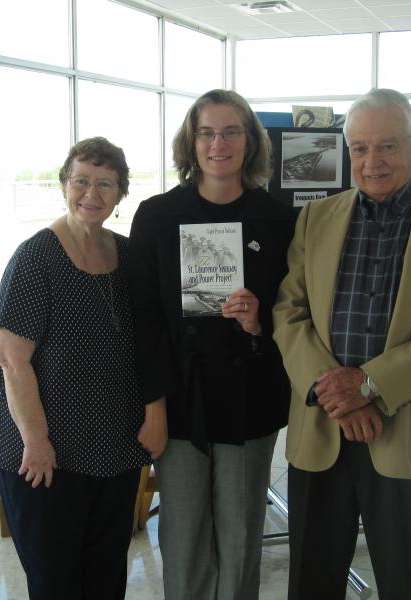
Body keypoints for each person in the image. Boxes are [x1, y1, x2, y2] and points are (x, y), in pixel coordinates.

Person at [272, 88, 411, 600]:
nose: (372, 161)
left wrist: (369, 386)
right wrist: (338, 395)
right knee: (310, 581)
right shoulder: (316, 218)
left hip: (404, 431)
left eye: (388, 146)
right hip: (321, 429)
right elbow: (288, 310)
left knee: (402, 581)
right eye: (360, 148)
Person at [129, 89, 296, 600]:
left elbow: (296, 313)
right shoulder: (156, 216)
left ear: (250, 142)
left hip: (251, 398)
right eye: (206, 133)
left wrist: (258, 323)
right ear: (191, 142)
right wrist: (153, 406)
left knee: (242, 531)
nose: (217, 144)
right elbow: (143, 322)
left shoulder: (279, 219)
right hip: (179, 399)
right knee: (183, 533)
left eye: (230, 132)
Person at [0, 137, 150, 600]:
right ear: (64, 186)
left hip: (112, 445)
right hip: (44, 452)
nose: (91, 194)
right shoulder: (37, 257)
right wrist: (35, 441)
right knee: (57, 578)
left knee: (106, 572)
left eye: (105, 184)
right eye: (81, 181)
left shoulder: (128, 255)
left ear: (120, 193)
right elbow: (10, 358)